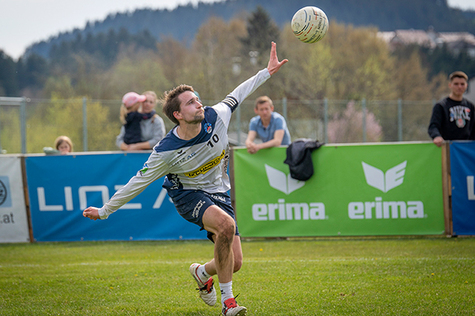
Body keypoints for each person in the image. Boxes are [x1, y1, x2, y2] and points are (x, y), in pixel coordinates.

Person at [83, 42, 288, 316]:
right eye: (191, 102)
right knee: (226, 225)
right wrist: (105, 211)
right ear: (178, 115)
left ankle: (202, 273)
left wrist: (267, 72)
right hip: (188, 195)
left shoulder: (217, 116)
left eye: (198, 98)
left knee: (235, 262)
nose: (199, 103)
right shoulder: (166, 151)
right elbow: (137, 182)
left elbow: (238, 93)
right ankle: (229, 304)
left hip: (220, 193)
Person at [428, 71, 475, 147]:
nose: (459, 87)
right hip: (448, 148)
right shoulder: (441, 106)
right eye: (456, 84)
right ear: (450, 85)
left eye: (462, 84)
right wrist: (436, 136)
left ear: (466, 85)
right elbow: (433, 126)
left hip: (466, 149)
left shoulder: (470, 106)